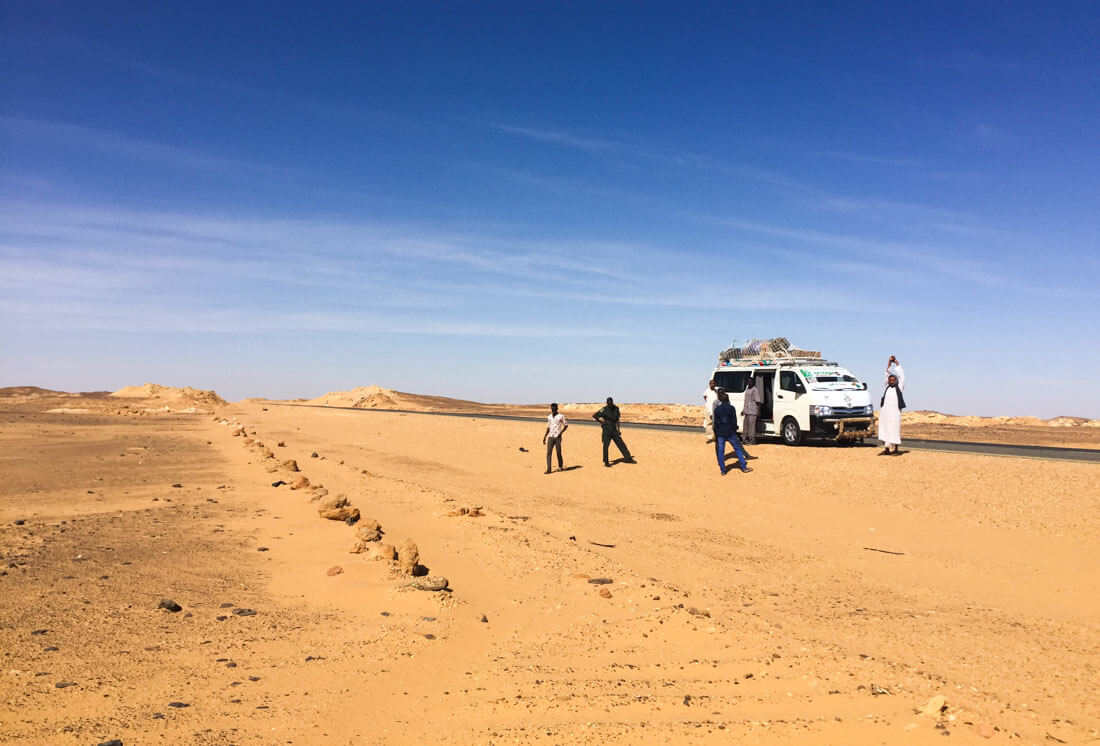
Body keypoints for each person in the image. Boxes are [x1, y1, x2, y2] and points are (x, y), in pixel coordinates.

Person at [713, 388, 752, 475]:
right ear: (728, 399)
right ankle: (743, 466)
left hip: (720, 432)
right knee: (737, 448)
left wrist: (716, 433)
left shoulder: (717, 409)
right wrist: (735, 429)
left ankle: (723, 469)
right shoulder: (731, 408)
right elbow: (734, 420)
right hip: (730, 432)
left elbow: (715, 422)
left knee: (721, 451)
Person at [877, 355, 907, 455]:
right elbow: (887, 374)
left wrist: (896, 362)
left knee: (894, 428)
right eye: (890, 380)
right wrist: (889, 363)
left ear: (896, 381)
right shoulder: (887, 387)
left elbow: (902, 375)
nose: (891, 381)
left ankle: (896, 449)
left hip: (895, 412)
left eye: (893, 380)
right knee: (885, 428)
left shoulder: (899, 387)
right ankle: (886, 449)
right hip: (885, 412)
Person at [593, 397, 634, 466]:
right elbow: (595, 415)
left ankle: (629, 458)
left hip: (614, 429)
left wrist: (618, 430)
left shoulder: (616, 408)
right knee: (606, 446)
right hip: (606, 429)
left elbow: (617, 420)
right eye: (608, 403)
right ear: (607, 403)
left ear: (612, 402)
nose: (610, 404)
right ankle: (606, 462)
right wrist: (601, 422)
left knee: (621, 444)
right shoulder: (604, 409)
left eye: (611, 403)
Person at [542, 403, 568, 474]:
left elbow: (566, 425)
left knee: (558, 452)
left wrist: (561, 433)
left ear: (557, 409)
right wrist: (545, 436)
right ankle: (549, 469)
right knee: (549, 453)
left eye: (554, 409)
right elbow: (548, 427)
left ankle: (560, 466)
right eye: (552, 409)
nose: (553, 410)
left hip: (557, 437)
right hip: (550, 437)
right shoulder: (549, 417)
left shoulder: (561, 416)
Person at [741, 376, 763, 445]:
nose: (749, 383)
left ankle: (752, 440)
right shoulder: (747, 389)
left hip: (752, 411)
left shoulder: (755, 390)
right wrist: (743, 410)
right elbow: (746, 401)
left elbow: (758, 401)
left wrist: (758, 411)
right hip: (747, 411)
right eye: (748, 381)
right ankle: (744, 439)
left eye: (750, 381)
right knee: (745, 426)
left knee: (751, 427)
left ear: (753, 382)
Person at [702, 379, 719, 443]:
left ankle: (715, 437)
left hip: (715, 409)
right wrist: (708, 403)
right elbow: (704, 396)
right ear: (709, 384)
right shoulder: (707, 390)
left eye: (713, 383)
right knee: (708, 423)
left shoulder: (717, 390)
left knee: (716, 424)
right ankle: (709, 437)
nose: (712, 385)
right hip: (708, 409)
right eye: (711, 383)